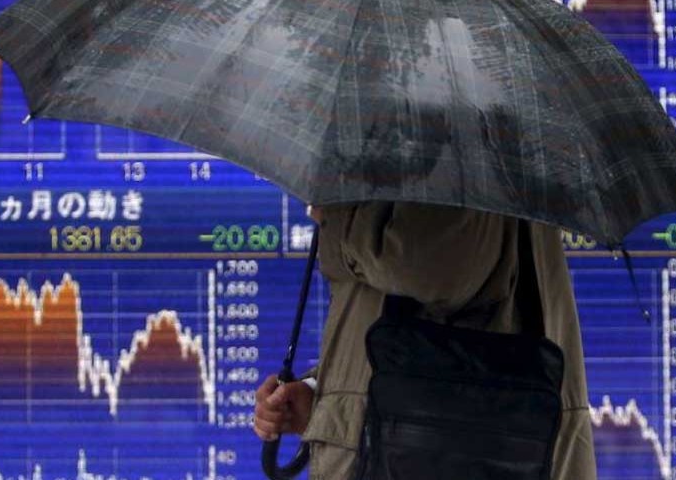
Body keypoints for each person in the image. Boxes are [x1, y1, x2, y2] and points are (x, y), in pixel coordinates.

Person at [254, 202, 597, 479]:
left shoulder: (450, 136)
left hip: (428, 454)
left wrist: (337, 216)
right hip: (426, 445)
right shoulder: (437, 150)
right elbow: (408, 327)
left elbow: (435, 266)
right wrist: (321, 394)